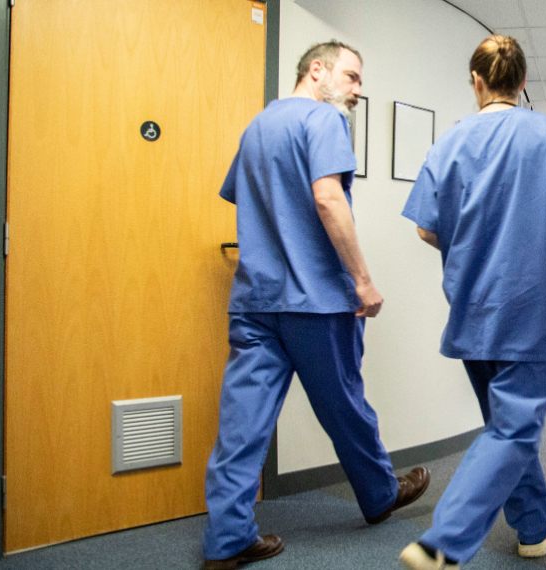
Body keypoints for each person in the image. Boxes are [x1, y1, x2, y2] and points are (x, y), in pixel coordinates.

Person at [202, 40, 430, 570]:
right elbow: (327, 198)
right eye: (351, 77)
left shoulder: (257, 127)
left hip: (257, 300)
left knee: (243, 423)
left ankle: (227, 538)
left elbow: (250, 200)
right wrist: (363, 280)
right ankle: (379, 495)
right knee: (344, 404)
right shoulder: (323, 120)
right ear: (317, 70)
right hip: (317, 300)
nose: (357, 89)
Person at [398, 35, 546, 570]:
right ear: (523, 82)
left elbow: (425, 229)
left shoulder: (447, 143)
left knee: (506, 426)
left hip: (471, 307)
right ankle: (444, 541)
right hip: (528, 308)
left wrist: (470, 246)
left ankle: (534, 528)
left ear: (477, 81)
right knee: (514, 429)